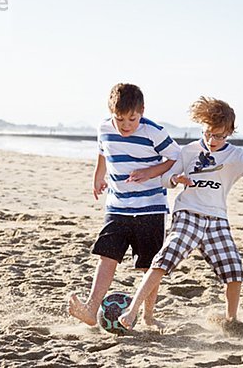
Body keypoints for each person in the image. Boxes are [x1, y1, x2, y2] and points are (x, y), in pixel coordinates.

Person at [119, 96, 243, 329]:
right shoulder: (189, 151)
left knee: (234, 270)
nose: (212, 139)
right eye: (208, 133)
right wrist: (176, 178)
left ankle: (231, 320)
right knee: (164, 259)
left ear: (229, 132)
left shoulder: (235, 156)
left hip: (217, 219)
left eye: (218, 135)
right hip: (188, 214)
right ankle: (132, 311)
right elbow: (166, 178)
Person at [68, 83, 181, 327]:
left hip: (150, 208)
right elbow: (103, 151)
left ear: (142, 111)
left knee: (148, 265)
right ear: (111, 113)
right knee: (107, 256)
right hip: (117, 206)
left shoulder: (154, 131)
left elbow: (176, 158)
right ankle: (90, 309)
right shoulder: (104, 128)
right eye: (120, 119)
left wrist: (150, 172)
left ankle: (148, 316)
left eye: (132, 118)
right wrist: (98, 176)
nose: (126, 125)